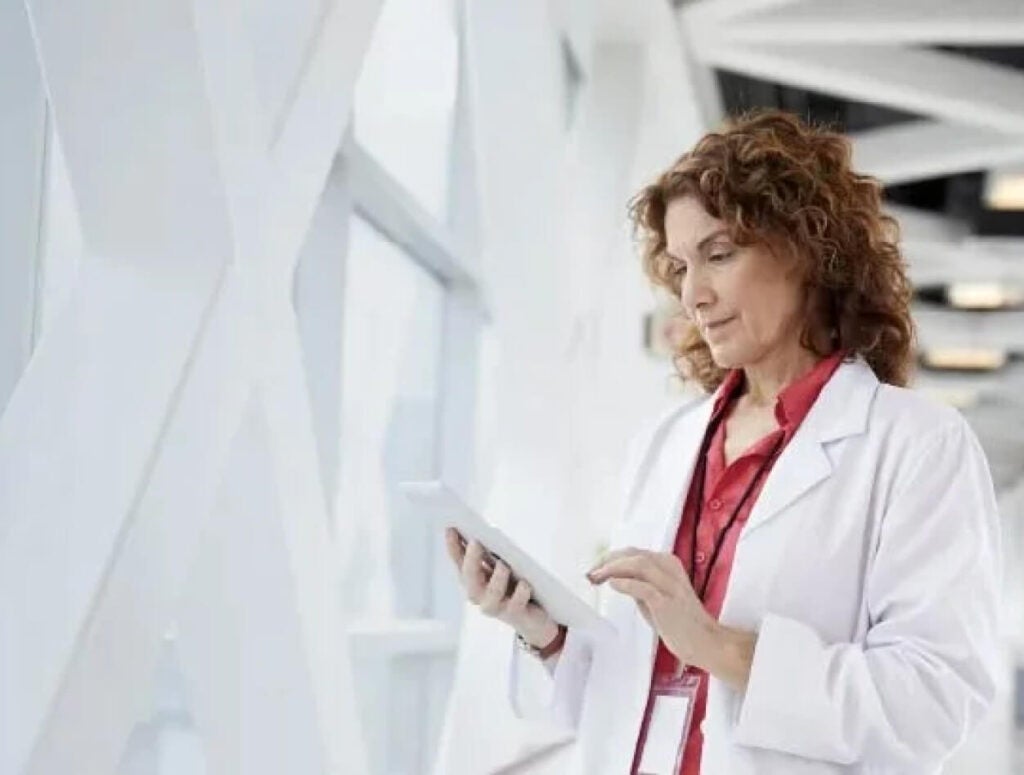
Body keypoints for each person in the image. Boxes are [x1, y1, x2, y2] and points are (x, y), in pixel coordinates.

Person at [445, 109, 1003, 774]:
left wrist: (723, 648)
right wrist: (543, 632)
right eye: (680, 266)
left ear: (808, 249)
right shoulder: (667, 441)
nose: (693, 295)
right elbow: (636, 685)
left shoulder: (917, 446)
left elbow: (935, 700)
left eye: (719, 254)